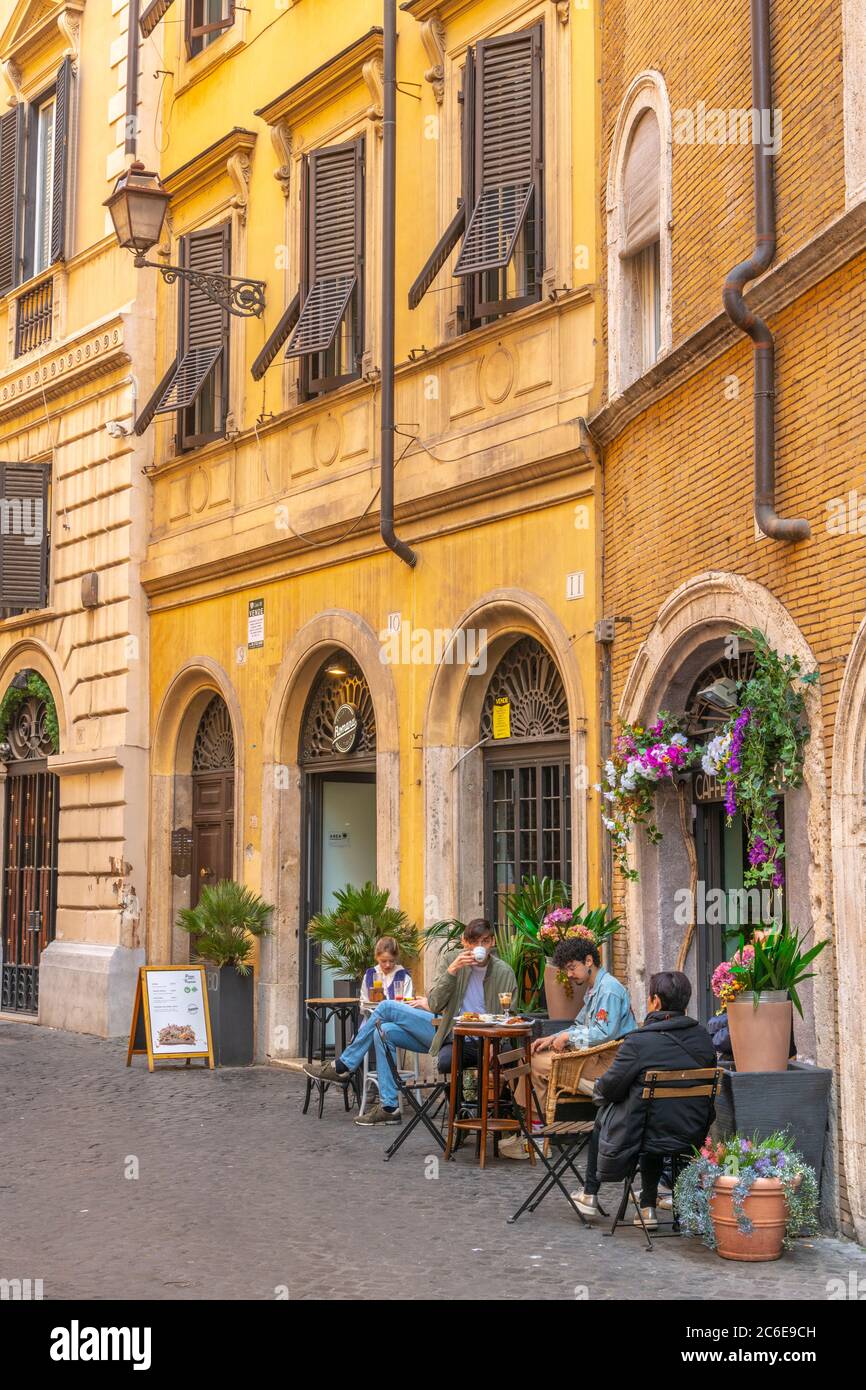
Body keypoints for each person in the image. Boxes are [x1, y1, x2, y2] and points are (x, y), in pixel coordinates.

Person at [303, 919, 515, 1127]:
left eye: (485, 941)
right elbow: (434, 1003)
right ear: (464, 942)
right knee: (383, 1031)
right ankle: (389, 1108)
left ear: (492, 942)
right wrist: (452, 972)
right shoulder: (451, 960)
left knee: (385, 1013)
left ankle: (345, 1067)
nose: (479, 947)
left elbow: (510, 1014)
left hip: (479, 1039)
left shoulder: (504, 972)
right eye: (473, 942)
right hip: (446, 1031)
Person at [571, 970, 716, 1229]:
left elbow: (609, 1088)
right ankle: (675, 1209)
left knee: (617, 1116)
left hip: (645, 1133)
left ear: (656, 1002)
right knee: (656, 1117)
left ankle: (622, 1201)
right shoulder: (704, 1038)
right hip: (691, 1130)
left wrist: (599, 1090)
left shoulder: (639, 1042)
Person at [528, 938, 637, 1116]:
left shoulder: (609, 990)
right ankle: (530, 1126)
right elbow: (579, 1025)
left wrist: (567, 1038)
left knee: (536, 1063)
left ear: (588, 961)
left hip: (611, 1063)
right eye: (566, 970)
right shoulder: (594, 989)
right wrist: (553, 1038)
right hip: (594, 1056)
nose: (569, 974)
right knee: (529, 1057)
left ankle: (537, 1131)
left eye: (572, 968)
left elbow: (604, 1033)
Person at [360, 936, 413, 1008]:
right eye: (383, 961)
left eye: (391, 961)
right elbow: (363, 1002)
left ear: (396, 958)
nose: (388, 965)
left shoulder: (404, 976)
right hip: (373, 1016)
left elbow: (408, 1002)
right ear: (376, 957)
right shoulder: (369, 975)